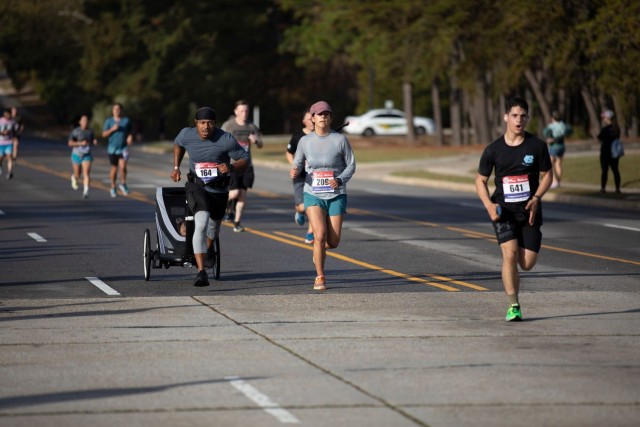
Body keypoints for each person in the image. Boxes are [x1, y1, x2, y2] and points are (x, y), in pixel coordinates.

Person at [475, 96, 552, 321]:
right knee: (509, 256)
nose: (519, 120)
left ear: (528, 118)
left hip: (529, 212)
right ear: (506, 117)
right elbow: (480, 181)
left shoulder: (537, 146)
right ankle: (513, 305)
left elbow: (548, 175)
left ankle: (515, 295)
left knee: (526, 263)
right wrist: (489, 205)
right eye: (515, 116)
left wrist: (537, 197)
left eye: (523, 116)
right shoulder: (493, 150)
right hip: (503, 211)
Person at [171, 106, 249, 287]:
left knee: (213, 227)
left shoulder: (225, 139)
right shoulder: (187, 134)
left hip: (219, 190)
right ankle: (201, 272)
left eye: (210, 123)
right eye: (203, 123)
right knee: (202, 221)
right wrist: (176, 167)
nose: (206, 127)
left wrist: (231, 167)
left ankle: (209, 247)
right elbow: (178, 144)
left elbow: (244, 159)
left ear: (215, 124)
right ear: (196, 123)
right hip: (197, 187)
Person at [290, 101, 356, 291]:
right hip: (313, 193)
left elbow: (351, 165)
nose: (323, 117)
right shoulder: (305, 141)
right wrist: (295, 170)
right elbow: (298, 161)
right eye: (319, 114)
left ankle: (318, 251)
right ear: (313, 118)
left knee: (333, 242)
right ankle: (320, 276)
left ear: (331, 118)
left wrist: (340, 180)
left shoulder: (340, 140)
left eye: (327, 114)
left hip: (336, 194)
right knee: (319, 235)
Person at [221, 100, 263, 232]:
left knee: (243, 195)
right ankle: (226, 205)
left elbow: (260, 144)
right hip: (232, 165)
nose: (245, 113)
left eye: (246, 111)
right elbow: (218, 142)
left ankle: (237, 222)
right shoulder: (229, 126)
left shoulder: (251, 126)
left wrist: (255, 141)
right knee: (234, 193)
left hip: (246, 165)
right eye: (242, 110)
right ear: (236, 111)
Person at [286, 110, 315, 243]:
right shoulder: (298, 136)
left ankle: (310, 232)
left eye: (313, 118)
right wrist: (294, 166)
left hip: (314, 176)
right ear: (304, 121)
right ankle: (299, 210)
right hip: (299, 175)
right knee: (303, 206)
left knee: (313, 205)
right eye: (309, 119)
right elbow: (289, 152)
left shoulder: (319, 136)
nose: (311, 121)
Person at [102, 103, 133, 197]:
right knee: (114, 169)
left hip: (123, 148)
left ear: (121, 110)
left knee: (123, 167)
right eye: (115, 109)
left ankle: (123, 184)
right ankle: (113, 187)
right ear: (112, 110)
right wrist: (112, 129)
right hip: (112, 149)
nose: (116, 110)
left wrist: (130, 137)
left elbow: (130, 132)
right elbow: (104, 135)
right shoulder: (109, 121)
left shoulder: (126, 120)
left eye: (118, 109)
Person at [68, 114, 98, 199]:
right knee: (78, 174)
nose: (85, 122)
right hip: (76, 154)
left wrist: (94, 141)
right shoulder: (76, 131)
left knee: (86, 174)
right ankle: (74, 177)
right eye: (83, 120)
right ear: (80, 122)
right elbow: (70, 143)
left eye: (86, 120)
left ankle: (86, 191)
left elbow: (92, 140)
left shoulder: (90, 131)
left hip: (87, 155)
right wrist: (80, 143)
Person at [542, 111, 572, 189]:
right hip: (562, 145)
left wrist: (549, 139)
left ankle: (555, 181)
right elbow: (569, 131)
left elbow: (546, 133)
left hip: (554, 146)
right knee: (558, 164)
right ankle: (559, 181)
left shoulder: (551, 126)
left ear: (552, 118)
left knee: (550, 164)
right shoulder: (563, 125)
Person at [597, 109, 622, 194]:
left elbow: (599, 138)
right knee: (615, 170)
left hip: (605, 152)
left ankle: (603, 188)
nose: (604, 119)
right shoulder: (616, 128)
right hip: (615, 152)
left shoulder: (605, 129)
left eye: (604, 118)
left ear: (607, 118)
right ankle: (617, 188)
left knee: (605, 170)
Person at [0, 108, 17, 179]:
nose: (8, 116)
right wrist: (2, 133)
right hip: (0, 142)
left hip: (9, 142)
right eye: (6, 114)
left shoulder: (12, 122)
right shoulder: (0, 121)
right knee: (0, 158)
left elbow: (16, 130)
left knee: (9, 157)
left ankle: (10, 172)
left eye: (9, 114)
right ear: (4, 114)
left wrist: (15, 136)